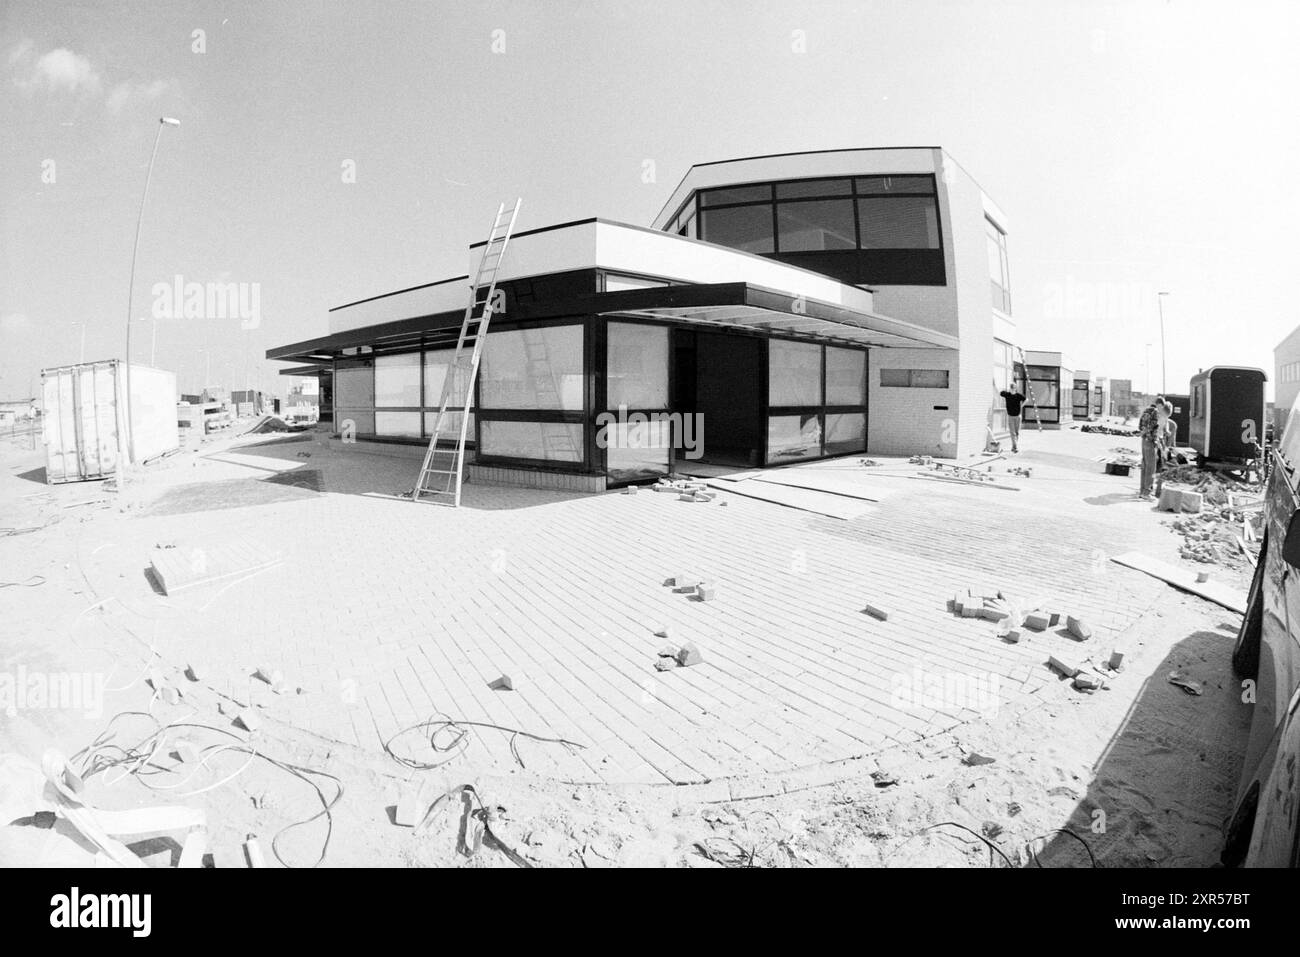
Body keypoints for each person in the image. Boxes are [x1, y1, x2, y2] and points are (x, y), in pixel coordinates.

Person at [1137, 396, 1166, 500]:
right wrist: (1155, 440)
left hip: (1143, 441)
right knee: (1151, 468)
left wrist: (1144, 433)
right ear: (1160, 405)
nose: (1162, 409)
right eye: (1162, 407)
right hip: (1150, 442)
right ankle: (1147, 493)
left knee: (1144, 467)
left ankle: (1142, 491)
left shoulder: (1146, 411)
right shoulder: (1155, 412)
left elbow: (1140, 426)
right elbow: (1153, 427)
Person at [999, 384, 1027, 453]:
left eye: (1013, 388)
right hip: (1010, 416)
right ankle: (1015, 447)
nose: (1012, 390)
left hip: (1018, 416)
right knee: (1012, 432)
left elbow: (1026, 399)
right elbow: (1001, 393)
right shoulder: (1007, 394)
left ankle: (1014, 446)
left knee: (1017, 432)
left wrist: (1022, 406)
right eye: (1011, 388)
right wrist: (1006, 391)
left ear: (1015, 389)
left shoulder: (1018, 395)